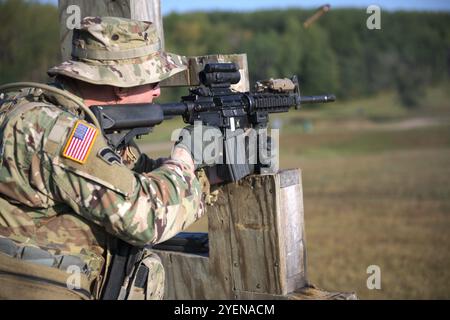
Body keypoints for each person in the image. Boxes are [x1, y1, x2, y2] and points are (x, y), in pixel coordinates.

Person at [0, 16, 207, 300]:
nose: (159, 91)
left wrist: (208, 175)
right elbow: (144, 217)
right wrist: (185, 158)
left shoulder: (40, 110)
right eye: (153, 80)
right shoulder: (59, 133)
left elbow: (128, 175)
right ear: (121, 85)